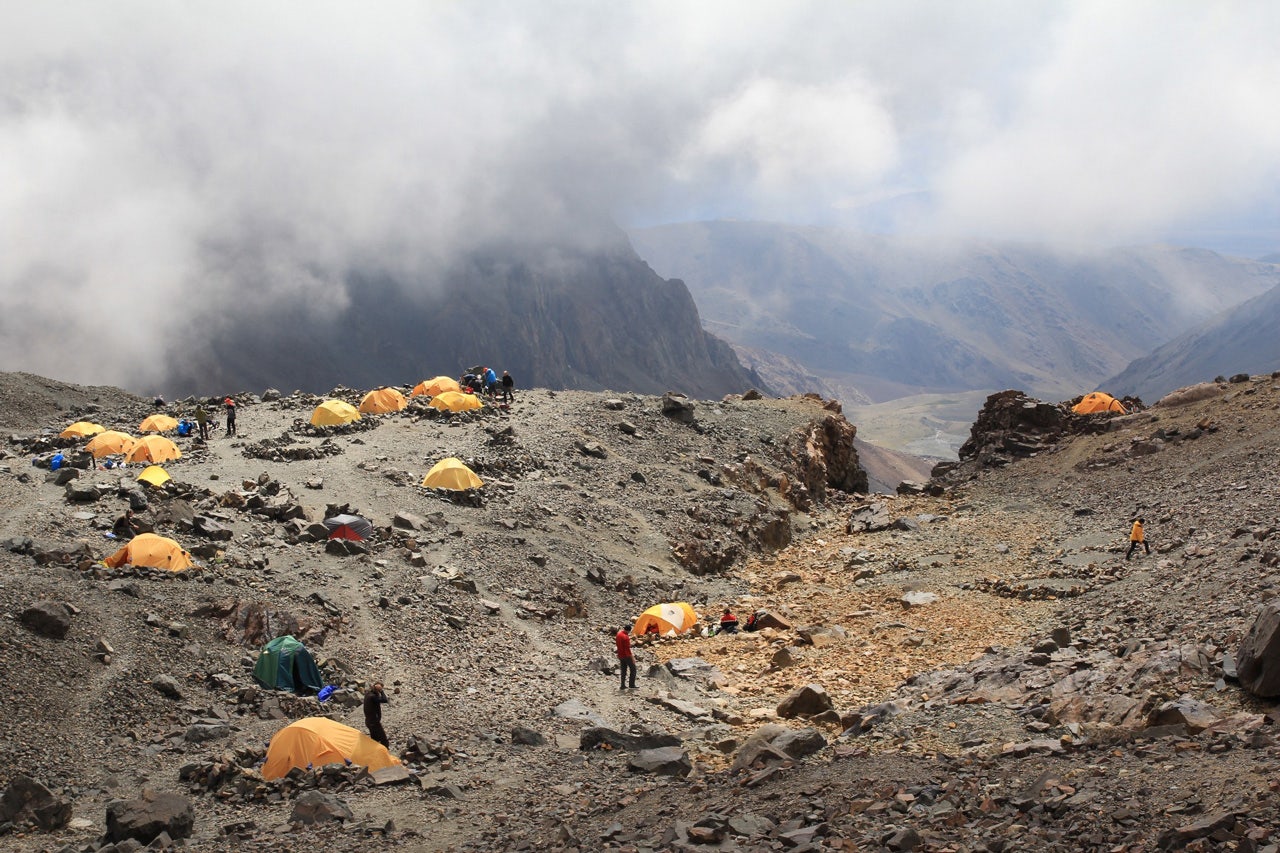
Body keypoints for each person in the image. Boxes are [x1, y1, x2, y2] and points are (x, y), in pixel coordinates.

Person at [363, 682, 390, 747]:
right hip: (374, 722)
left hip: (368, 722)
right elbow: (385, 700)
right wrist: (381, 691)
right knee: (384, 740)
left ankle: (375, 754)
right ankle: (385, 755)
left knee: (375, 741)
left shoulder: (368, 694)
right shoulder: (373, 697)